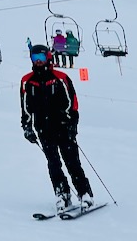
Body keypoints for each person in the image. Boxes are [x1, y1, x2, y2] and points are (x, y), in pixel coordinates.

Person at [20, 44, 94, 212]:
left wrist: (71, 125)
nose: (38, 62)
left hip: (63, 127)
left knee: (72, 162)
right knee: (53, 163)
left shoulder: (61, 77)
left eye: (41, 58)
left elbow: (73, 104)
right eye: (34, 58)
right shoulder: (27, 81)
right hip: (43, 129)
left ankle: (84, 193)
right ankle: (62, 194)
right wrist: (27, 127)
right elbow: (25, 107)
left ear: (48, 58)